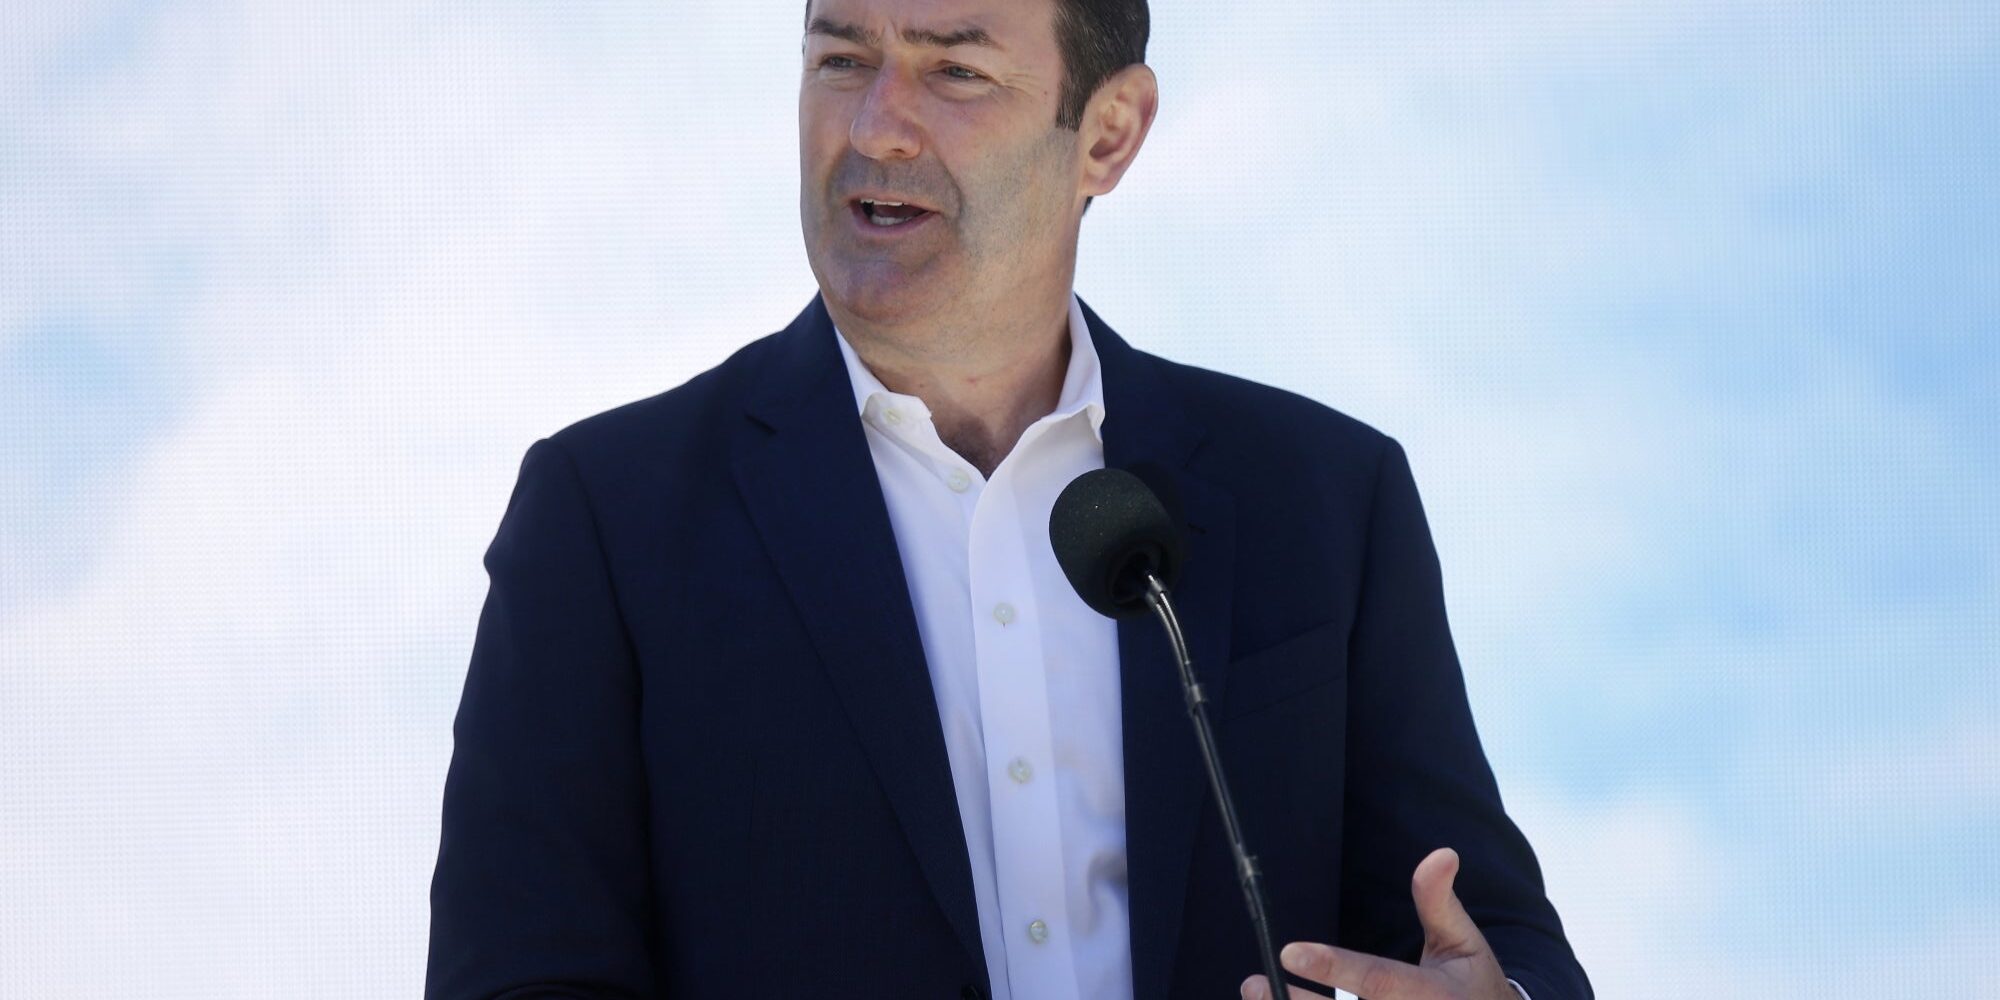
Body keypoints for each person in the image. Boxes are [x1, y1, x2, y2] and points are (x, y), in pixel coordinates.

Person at [425, 0, 1593, 997]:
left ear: (1107, 133)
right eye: (841, 59)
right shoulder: (605, 518)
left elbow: (1481, 937)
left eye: (955, 71)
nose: (874, 125)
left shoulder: (1325, 499)